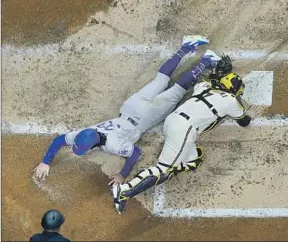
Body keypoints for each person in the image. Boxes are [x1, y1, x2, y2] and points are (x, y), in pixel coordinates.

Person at [33, 35, 222, 186]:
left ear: (92, 145)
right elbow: (59, 140)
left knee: (176, 91)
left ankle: (206, 61)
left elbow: (135, 153)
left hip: (145, 117)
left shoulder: (114, 145)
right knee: (160, 80)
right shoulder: (85, 134)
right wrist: (45, 161)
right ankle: (187, 46)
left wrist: (122, 175)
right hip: (131, 106)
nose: (82, 152)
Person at [112, 55, 263, 214]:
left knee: (194, 159)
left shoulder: (203, 86)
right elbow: (244, 122)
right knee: (164, 171)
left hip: (172, 122)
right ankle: (123, 191)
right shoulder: (232, 101)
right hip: (184, 130)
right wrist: (250, 114)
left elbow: (211, 80)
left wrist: (218, 72)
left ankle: (175, 163)